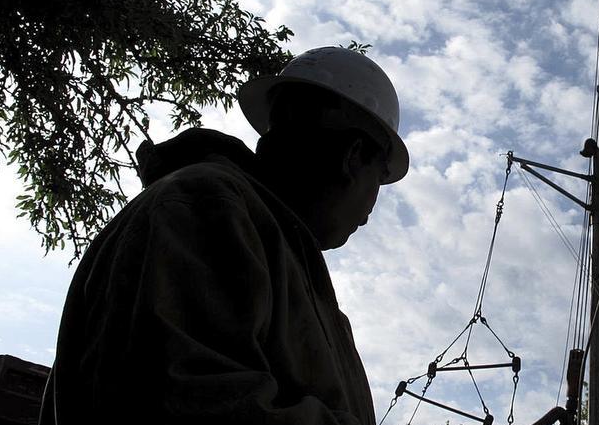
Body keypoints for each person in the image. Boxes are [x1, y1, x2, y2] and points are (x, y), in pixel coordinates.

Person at [40, 47, 410, 425]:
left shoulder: (299, 277)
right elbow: (189, 402)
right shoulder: (202, 209)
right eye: (379, 178)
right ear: (353, 155)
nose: (372, 204)